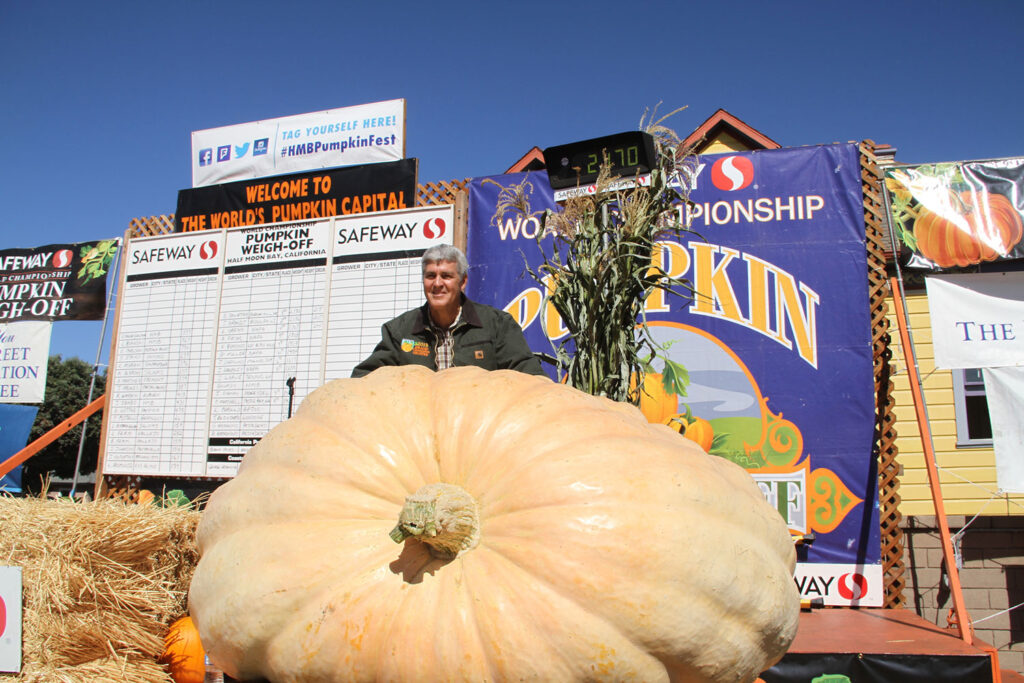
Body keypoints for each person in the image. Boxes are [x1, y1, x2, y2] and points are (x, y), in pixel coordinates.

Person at [351, 244, 546, 378]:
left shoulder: (497, 325)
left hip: (480, 428)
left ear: (462, 281)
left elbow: (529, 375)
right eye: (430, 276)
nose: (437, 284)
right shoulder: (400, 331)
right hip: (418, 429)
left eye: (446, 276)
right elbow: (365, 378)